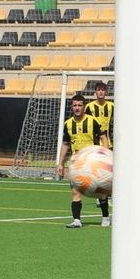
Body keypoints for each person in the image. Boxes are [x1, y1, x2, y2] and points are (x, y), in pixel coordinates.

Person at [56, 94, 109, 229]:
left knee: (100, 191)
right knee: (75, 191)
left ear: (84, 106)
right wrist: (60, 163)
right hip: (76, 163)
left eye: (80, 105)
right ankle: (77, 220)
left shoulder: (93, 121)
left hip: (93, 162)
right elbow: (65, 144)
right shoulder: (68, 124)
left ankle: (105, 217)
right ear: (72, 107)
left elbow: (103, 138)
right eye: (75, 105)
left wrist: (104, 154)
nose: (77, 108)